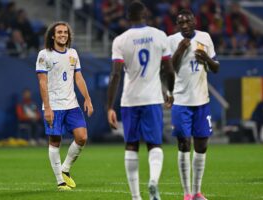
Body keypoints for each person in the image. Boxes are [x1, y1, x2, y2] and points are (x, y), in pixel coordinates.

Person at [107, 1, 175, 200]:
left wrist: (109, 106)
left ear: (127, 17)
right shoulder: (159, 36)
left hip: (130, 100)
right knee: (155, 145)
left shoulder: (120, 40)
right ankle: (153, 181)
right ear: (146, 14)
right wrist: (170, 91)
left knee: (131, 146)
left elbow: (115, 75)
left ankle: (136, 197)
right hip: (152, 98)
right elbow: (168, 70)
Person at [168, 9, 219, 200]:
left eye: (187, 21)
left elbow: (216, 67)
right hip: (181, 101)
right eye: (180, 23)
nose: (184, 25)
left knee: (201, 146)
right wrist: (180, 50)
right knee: (184, 144)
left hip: (202, 101)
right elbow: (168, 69)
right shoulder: (171, 40)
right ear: (177, 25)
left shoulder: (205, 37)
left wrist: (206, 58)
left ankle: (197, 192)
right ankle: (187, 194)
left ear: (194, 21)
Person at [36, 21, 93, 191]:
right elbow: (42, 83)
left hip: (72, 104)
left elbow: (79, 78)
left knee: (82, 137)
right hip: (54, 106)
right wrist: (47, 107)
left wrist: (87, 99)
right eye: (59, 32)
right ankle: (60, 181)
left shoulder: (73, 53)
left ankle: (65, 169)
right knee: (55, 141)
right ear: (53, 35)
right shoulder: (44, 55)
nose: (63, 35)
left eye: (65, 32)